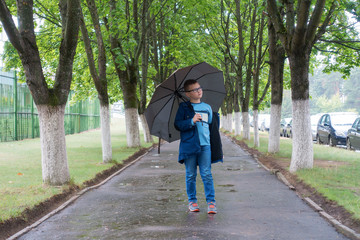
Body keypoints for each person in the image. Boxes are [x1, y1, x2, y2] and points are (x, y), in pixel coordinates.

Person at [174, 79, 223, 214]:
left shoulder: (207, 107)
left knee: (206, 174)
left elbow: (212, 125)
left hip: (205, 145)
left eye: (199, 88)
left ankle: (211, 202)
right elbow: (178, 124)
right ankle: (192, 201)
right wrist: (191, 120)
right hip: (190, 146)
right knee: (190, 174)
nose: (199, 91)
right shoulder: (184, 108)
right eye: (195, 90)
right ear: (188, 94)